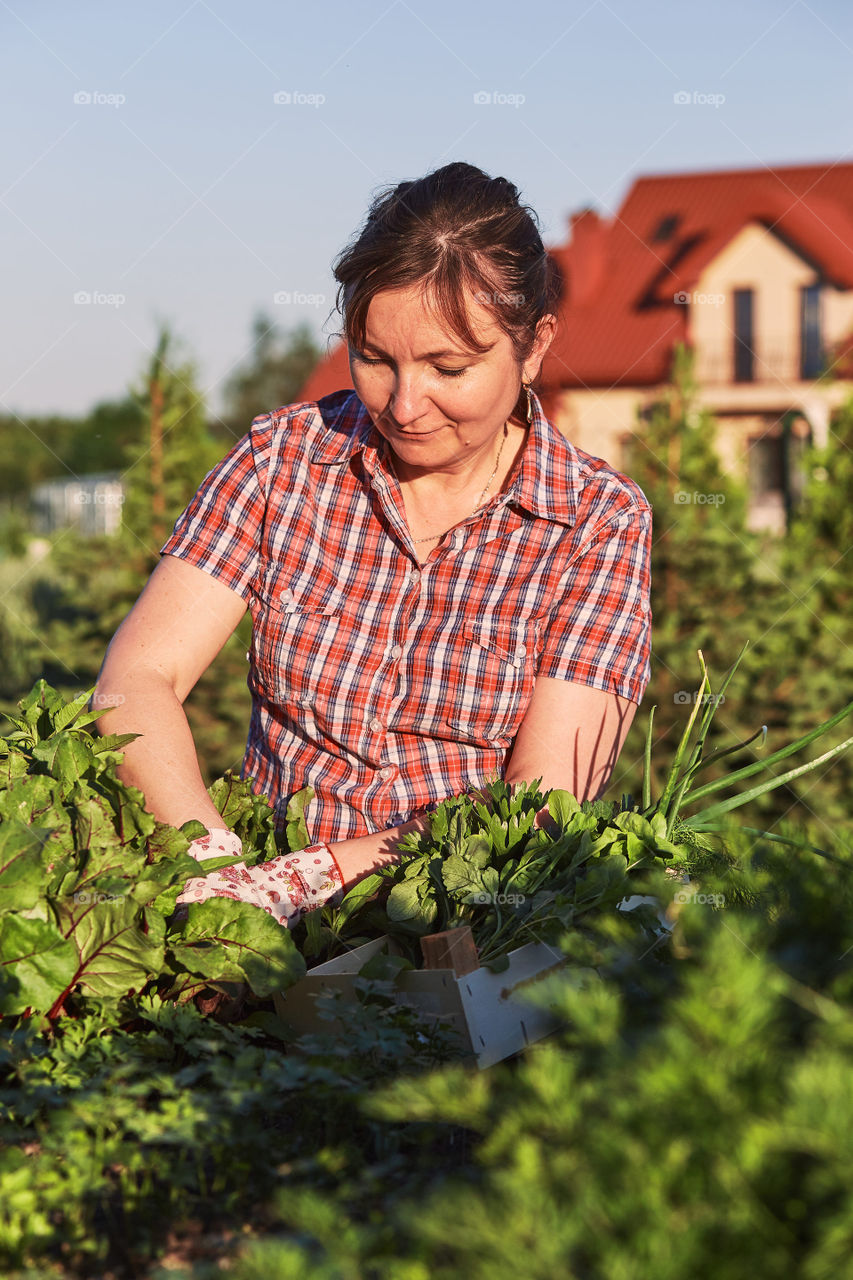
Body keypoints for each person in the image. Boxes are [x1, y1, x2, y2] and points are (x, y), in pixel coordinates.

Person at [92, 161, 652, 929]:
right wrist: (213, 870)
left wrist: (313, 878)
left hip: (459, 923)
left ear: (532, 347)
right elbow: (138, 678)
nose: (404, 403)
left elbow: (540, 806)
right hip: (253, 896)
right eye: (374, 358)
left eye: (447, 367)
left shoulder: (595, 521)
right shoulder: (282, 462)